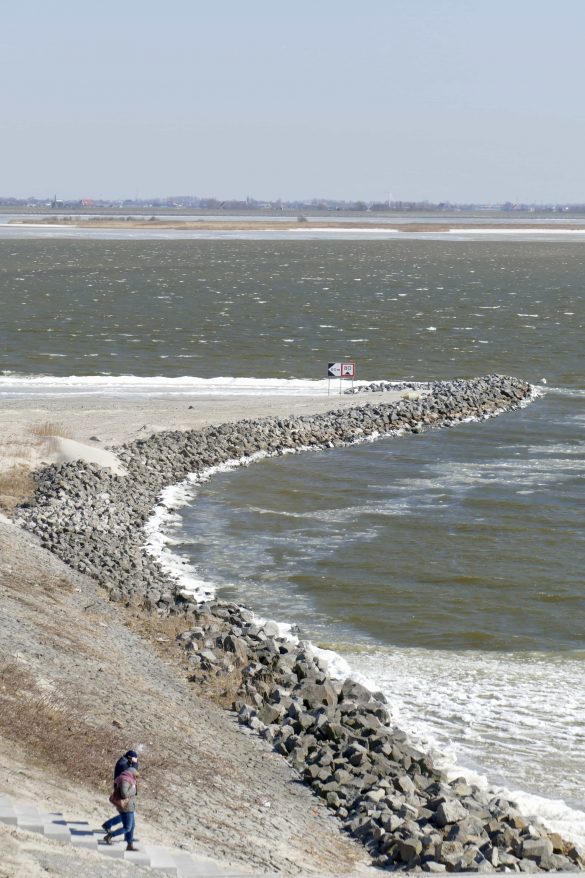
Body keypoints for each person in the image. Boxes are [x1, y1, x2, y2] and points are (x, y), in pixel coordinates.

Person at [103, 765, 139, 851]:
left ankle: (129, 844)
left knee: (132, 826)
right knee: (127, 827)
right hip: (126, 807)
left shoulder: (129, 780)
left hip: (129, 806)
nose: (136, 777)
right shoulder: (125, 780)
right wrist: (133, 789)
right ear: (131, 773)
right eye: (135, 775)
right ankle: (110, 836)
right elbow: (124, 794)